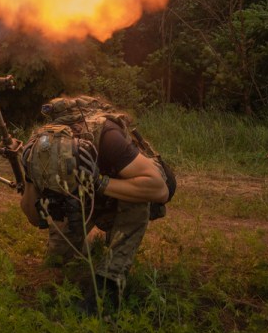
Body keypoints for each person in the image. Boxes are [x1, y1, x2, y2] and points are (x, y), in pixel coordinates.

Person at [19, 95, 175, 313]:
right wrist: (29, 177)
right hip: (81, 201)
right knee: (57, 258)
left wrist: (97, 182)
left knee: (138, 201)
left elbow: (159, 188)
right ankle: (92, 243)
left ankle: (109, 282)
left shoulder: (106, 136)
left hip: (115, 195)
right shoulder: (38, 152)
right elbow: (34, 218)